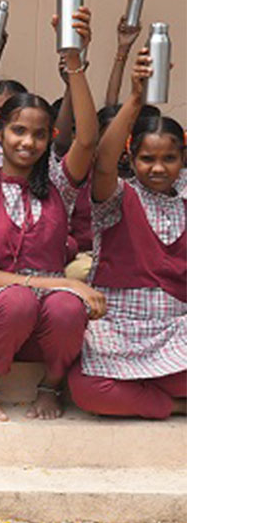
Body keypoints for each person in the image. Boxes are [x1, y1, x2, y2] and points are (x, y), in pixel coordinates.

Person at [0, 7, 103, 422]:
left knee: (66, 308)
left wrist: (74, 63)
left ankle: (49, 386)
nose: (29, 141)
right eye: (19, 130)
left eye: (40, 133)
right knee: (19, 299)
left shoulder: (57, 184)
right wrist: (64, 283)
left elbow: (88, 140)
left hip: (47, 328)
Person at [67, 51, 186, 418]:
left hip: (177, 329)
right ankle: (172, 404)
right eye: (147, 159)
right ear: (131, 160)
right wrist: (135, 98)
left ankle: (151, 389)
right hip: (119, 329)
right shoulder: (117, 196)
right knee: (87, 389)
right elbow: (101, 160)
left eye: (169, 158)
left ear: (183, 159)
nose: (158, 168)